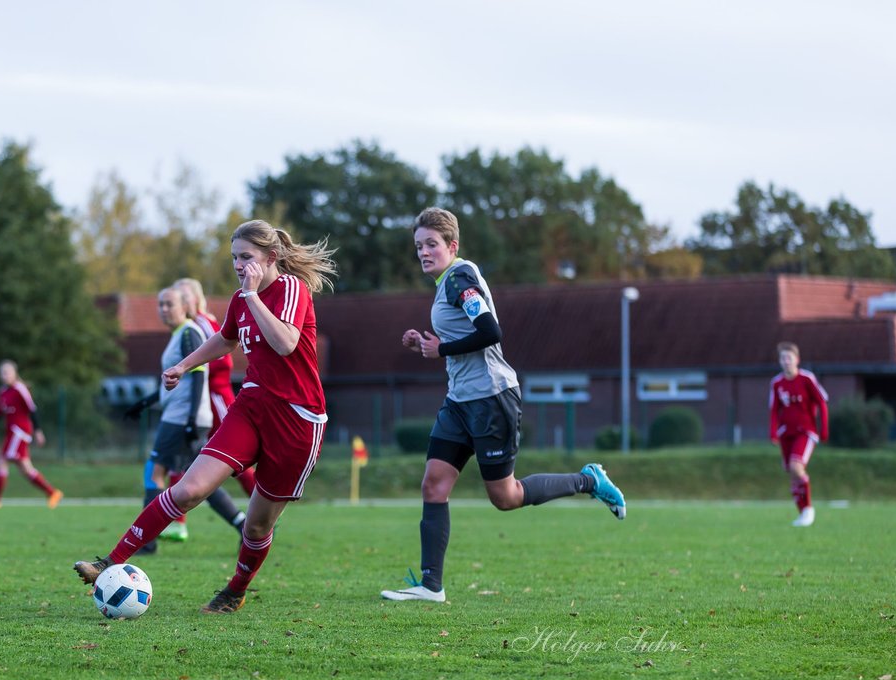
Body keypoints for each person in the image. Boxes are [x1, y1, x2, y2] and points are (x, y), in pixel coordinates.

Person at [74, 221, 335, 614]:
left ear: (271, 257)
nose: (238, 265)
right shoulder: (240, 299)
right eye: (234, 257)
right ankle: (110, 562)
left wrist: (251, 296)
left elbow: (286, 343)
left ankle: (235, 590)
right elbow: (226, 339)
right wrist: (184, 365)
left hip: (298, 421)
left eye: (246, 257)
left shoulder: (290, 290)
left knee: (257, 527)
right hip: (251, 407)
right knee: (188, 490)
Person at [381, 207, 626, 603]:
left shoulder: (460, 278)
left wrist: (440, 348)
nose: (424, 252)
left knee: (505, 497)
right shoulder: (447, 283)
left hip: (491, 399)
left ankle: (589, 480)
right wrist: (424, 343)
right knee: (434, 483)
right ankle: (431, 586)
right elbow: (461, 338)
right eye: (418, 246)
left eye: (431, 244)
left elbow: (491, 331)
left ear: (452, 246)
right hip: (460, 401)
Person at [122, 286, 246, 549]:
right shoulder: (179, 334)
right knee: (199, 481)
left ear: (184, 307)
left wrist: (191, 419)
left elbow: (200, 374)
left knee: (153, 472)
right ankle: (242, 524)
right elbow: (174, 382)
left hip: (181, 420)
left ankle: (146, 542)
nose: (164, 309)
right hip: (184, 417)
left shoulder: (189, 332)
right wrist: (144, 403)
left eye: (169, 304)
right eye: (161, 304)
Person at [157, 277, 257, 541]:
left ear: (193, 298)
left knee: (234, 456)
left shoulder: (199, 324)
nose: (177, 303)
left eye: (183, 296)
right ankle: (178, 521)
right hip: (201, 399)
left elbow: (221, 358)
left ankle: (261, 511)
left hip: (214, 397)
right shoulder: (192, 325)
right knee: (195, 464)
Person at [0, 360, 63, 510]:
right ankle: (53, 493)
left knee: (2, 460)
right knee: (25, 468)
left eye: (7, 373)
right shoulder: (2, 392)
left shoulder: (20, 389)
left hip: (19, 432)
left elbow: (32, 409)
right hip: (11, 432)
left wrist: (38, 431)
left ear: (14, 374)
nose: (5, 376)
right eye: (2, 373)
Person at [769, 342, 828, 527]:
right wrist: (773, 431)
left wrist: (824, 428)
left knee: (796, 466)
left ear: (797, 360)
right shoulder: (777, 383)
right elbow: (774, 410)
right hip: (787, 432)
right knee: (791, 472)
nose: (786, 361)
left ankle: (809, 509)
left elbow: (822, 402)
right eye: (783, 358)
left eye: (789, 358)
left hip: (806, 431)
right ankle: (802, 512)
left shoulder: (806, 379)